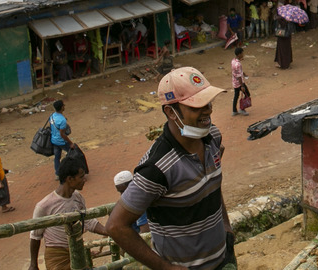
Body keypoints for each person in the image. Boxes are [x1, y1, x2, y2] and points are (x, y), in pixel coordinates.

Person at [106, 67, 235, 270]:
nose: (208, 110)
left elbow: (212, 185)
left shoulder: (213, 137)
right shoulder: (156, 169)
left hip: (223, 259)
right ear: (171, 112)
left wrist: (226, 227)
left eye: (208, 102)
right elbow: (116, 226)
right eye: (196, 106)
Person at [30, 157, 109, 270]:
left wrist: (107, 231)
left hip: (77, 251)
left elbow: (86, 220)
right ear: (70, 179)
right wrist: (33, 264)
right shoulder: (44, 206)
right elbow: (35, 236)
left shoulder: (77, 198)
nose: (84, 180)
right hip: (57, 257)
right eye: (81, 177)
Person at [49, 100, 75, 179]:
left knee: (57, 157)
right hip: (61, 141)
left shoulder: (52, 116)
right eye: (63, 105)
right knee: (72, 154)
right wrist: (70, 143)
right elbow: (62, 134)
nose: (64, 106)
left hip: (54, 140)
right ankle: (72, 171)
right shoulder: (62, 120)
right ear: (61, 107)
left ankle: (57, 174)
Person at [231, 47, 250, 116]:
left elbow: (237, 72)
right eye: (242, 53)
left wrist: (243, 74)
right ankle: (242, 109)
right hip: (239, 83)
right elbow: (239, 76)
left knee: (236, 96)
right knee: (247, 94)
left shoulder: (233, 61)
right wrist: (242, 86)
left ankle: (234, 110)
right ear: (239, 54)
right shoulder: (238, 64)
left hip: (234, 82)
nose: (243, 54)